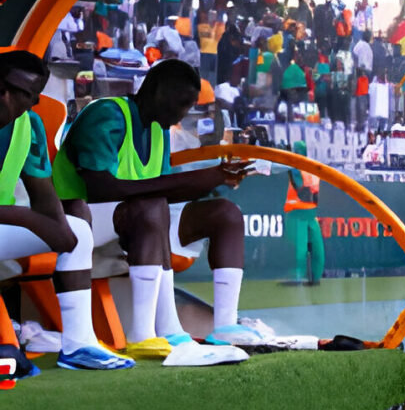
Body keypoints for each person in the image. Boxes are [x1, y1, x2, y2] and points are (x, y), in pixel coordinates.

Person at [51, 59, 262, 361]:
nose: (184, 112)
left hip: (132, 220)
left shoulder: (158, 130)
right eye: (182, 103)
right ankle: (144, 334)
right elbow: (101, 189)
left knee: (225, 214)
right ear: (157, 91)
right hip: (82, 219)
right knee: (151, 207)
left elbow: (159, 190)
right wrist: (197, 179)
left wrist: (213, 181)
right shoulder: (106, 115)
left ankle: (225, 327)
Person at [0, 51, 132, 370]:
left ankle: (78, 345)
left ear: (33, 100)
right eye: (2, 86)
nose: (5, 97)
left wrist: (60, 228)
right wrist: (30, 218)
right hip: (8, 218)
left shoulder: (29, 125)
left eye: (19, 94)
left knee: (77, 230)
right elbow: (33, 214)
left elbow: (44, 197)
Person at [283, 140, 323, 287]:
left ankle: (303, 278)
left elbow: (303, 191)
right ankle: (309, 278)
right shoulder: (311, 168)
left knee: (303, 250)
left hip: (302, 213)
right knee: (312, 250)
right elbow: (309, 192)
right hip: (306, 212)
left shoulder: (297, 168)